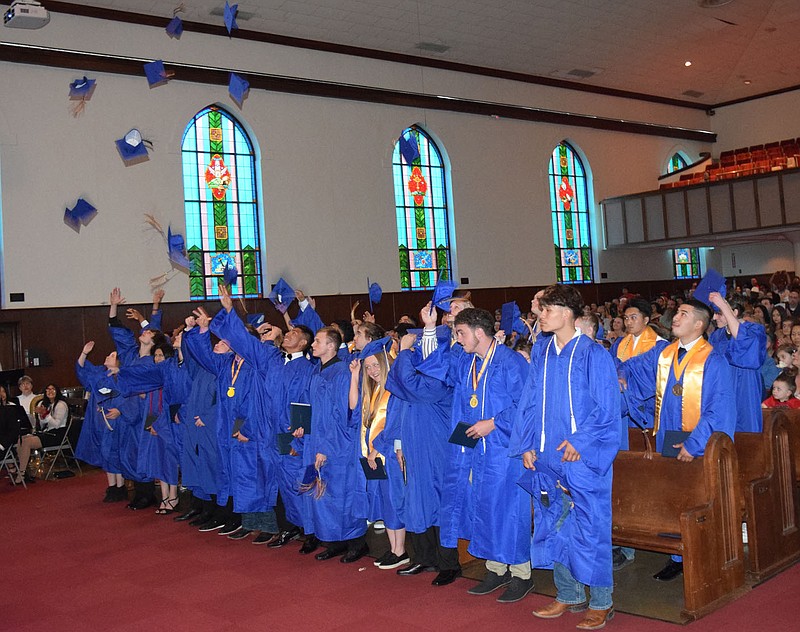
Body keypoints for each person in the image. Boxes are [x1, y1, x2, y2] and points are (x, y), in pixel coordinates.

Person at [510, 284, 620, 630]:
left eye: (547, 310)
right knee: (553, 523)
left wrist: (582, 441)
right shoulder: (541, 352)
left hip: (581, 458)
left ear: (567, 313)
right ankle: (569, 593)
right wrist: (526, 444)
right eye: (540, 310)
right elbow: (529, 402)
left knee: (590, 526)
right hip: (546, 456)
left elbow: (607, 407)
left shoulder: (593, 354)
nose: (540, 316)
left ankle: (602, 601)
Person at [621, 298, 735, 582]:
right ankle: (678, 557)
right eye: (677, 312)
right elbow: (631, 368)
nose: (676, 317)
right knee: (673, 496)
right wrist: (620, 375)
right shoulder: (664, 354)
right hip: (667, 437)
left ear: (699, 324)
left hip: (698, 443)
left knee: (699, 497)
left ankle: (707, 553)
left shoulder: (713, 359)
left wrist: (693, 444)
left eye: (683, 314)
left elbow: (719, 408)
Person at [435, 307, 533, 603]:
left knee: (508, 510)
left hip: (504, 451)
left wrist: (494, 423)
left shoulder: (510, 362)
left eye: (461, 333)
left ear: (480, 332)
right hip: (475, 451)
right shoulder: (469, 363)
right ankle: (495, 568)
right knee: (483, 506)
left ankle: (521, 574)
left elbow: (526, 405)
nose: (458, 339)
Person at [300, 326, 369, 563]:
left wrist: (326, 448)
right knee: (323, 495)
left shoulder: (340, 373)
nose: (313, 345)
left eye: (317, 341)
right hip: (317, 441)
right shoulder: (319, 371)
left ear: (331, 346)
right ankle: (334, 541)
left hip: (337, 446)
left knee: (342, 494)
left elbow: (343, 416)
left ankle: (357, 542)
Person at [350, 338, 407, 569]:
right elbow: (354, 410)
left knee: (394, 502)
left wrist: (376, 449)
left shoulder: (394, 391)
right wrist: (355, 376)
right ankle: (393, 549)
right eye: (368, 367)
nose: (372, 371)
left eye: (376, 365)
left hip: (389, 456)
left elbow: (395, 425)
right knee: (385, 502)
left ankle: (401, 550)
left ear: (385, 364)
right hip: (375, 457)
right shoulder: (373, 391)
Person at [708, 293, 767, 432]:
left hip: (746, 387)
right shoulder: (717, 335)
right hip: (723, 389)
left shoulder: (755, 330)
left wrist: (723, 305)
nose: (714, 317)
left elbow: (749, 354)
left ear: (733, 312)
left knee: (747, 432)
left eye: (718, 313)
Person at [15, 384, 70, 484]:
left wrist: (46, 414)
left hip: (57, 434)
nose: (50, 391)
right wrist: (41, 415)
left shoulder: (61, 404)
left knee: (27, 442)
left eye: (53, 389)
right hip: (47, 432)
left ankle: (21, 473)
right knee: (22, 439)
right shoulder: (45, 403)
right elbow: (42, 423)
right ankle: (24, 470)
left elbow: (56, 424)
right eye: (48, 389)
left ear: (57, 391)